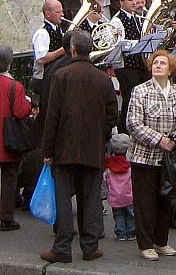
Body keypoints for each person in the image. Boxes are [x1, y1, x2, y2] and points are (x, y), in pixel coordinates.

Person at [40, 31, 118, 263]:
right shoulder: (103, 78)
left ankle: (62, 248)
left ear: (72, 49)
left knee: (64, 198)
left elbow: (52, 116)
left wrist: (47, 151)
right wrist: (101, 137)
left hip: (64, 147)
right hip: (92, 147)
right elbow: (112, 116)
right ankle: (90, 246)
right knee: (91, 198)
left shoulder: (61, 75)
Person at [126, 50, 176, 261]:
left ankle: (160, 241)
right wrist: (159, 139)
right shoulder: (140, 90)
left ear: (171, 69)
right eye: (155, 63)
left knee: (165, 199)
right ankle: (145, 244)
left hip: (168, 156)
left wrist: (174, 139)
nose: (158, 66)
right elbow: (133, 123)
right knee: (145, 201)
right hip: (144, 156)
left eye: (162, 63)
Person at [0, 46, 32, 231]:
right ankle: (6, 217)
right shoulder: (14, 86)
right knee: (9, 177)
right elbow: (21, 112)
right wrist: (28, 103)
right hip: (7, 138)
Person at [111, 0, 149, 134]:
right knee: (130, 99)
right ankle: (124, 131)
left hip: (140, 64)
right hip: (126, 66)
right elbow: (120, 44)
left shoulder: (137, 17)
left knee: (142, 98)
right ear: (121, 2)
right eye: (130, 0)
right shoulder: (117, 20)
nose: (134, 3)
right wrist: (139, 43)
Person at [104, 133, 135, 242]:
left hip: (115, 197)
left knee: (118, 215)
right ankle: (131, 232)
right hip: (129, 196)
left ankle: (120, 233)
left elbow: (106, 180)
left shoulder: (109, 166)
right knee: (131, 215)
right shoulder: (130, 165)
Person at [31, 0, 66, 95]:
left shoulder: (57, 29)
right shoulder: (42, 33)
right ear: (48, 14)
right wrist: (63, 50)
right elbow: (42, 59)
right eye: (58, 12)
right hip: (44, 79)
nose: (62, 15)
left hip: (54, 76)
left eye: (62, 11)